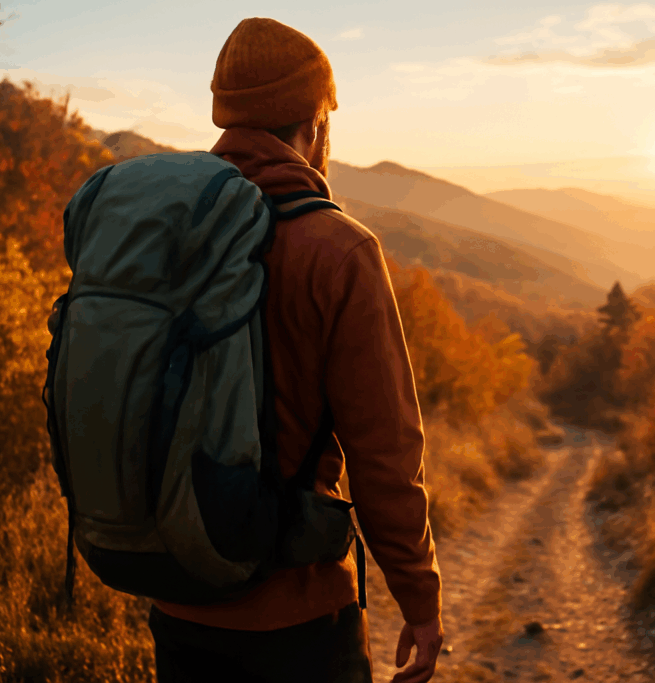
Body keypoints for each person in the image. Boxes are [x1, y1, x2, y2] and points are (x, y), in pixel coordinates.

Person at [145, 17, 445, 683]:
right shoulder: (340, 250)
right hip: (300, 616)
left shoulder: (163, 232)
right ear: (312, 123)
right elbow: (384, 451)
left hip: (178, 599)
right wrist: (419, 598)